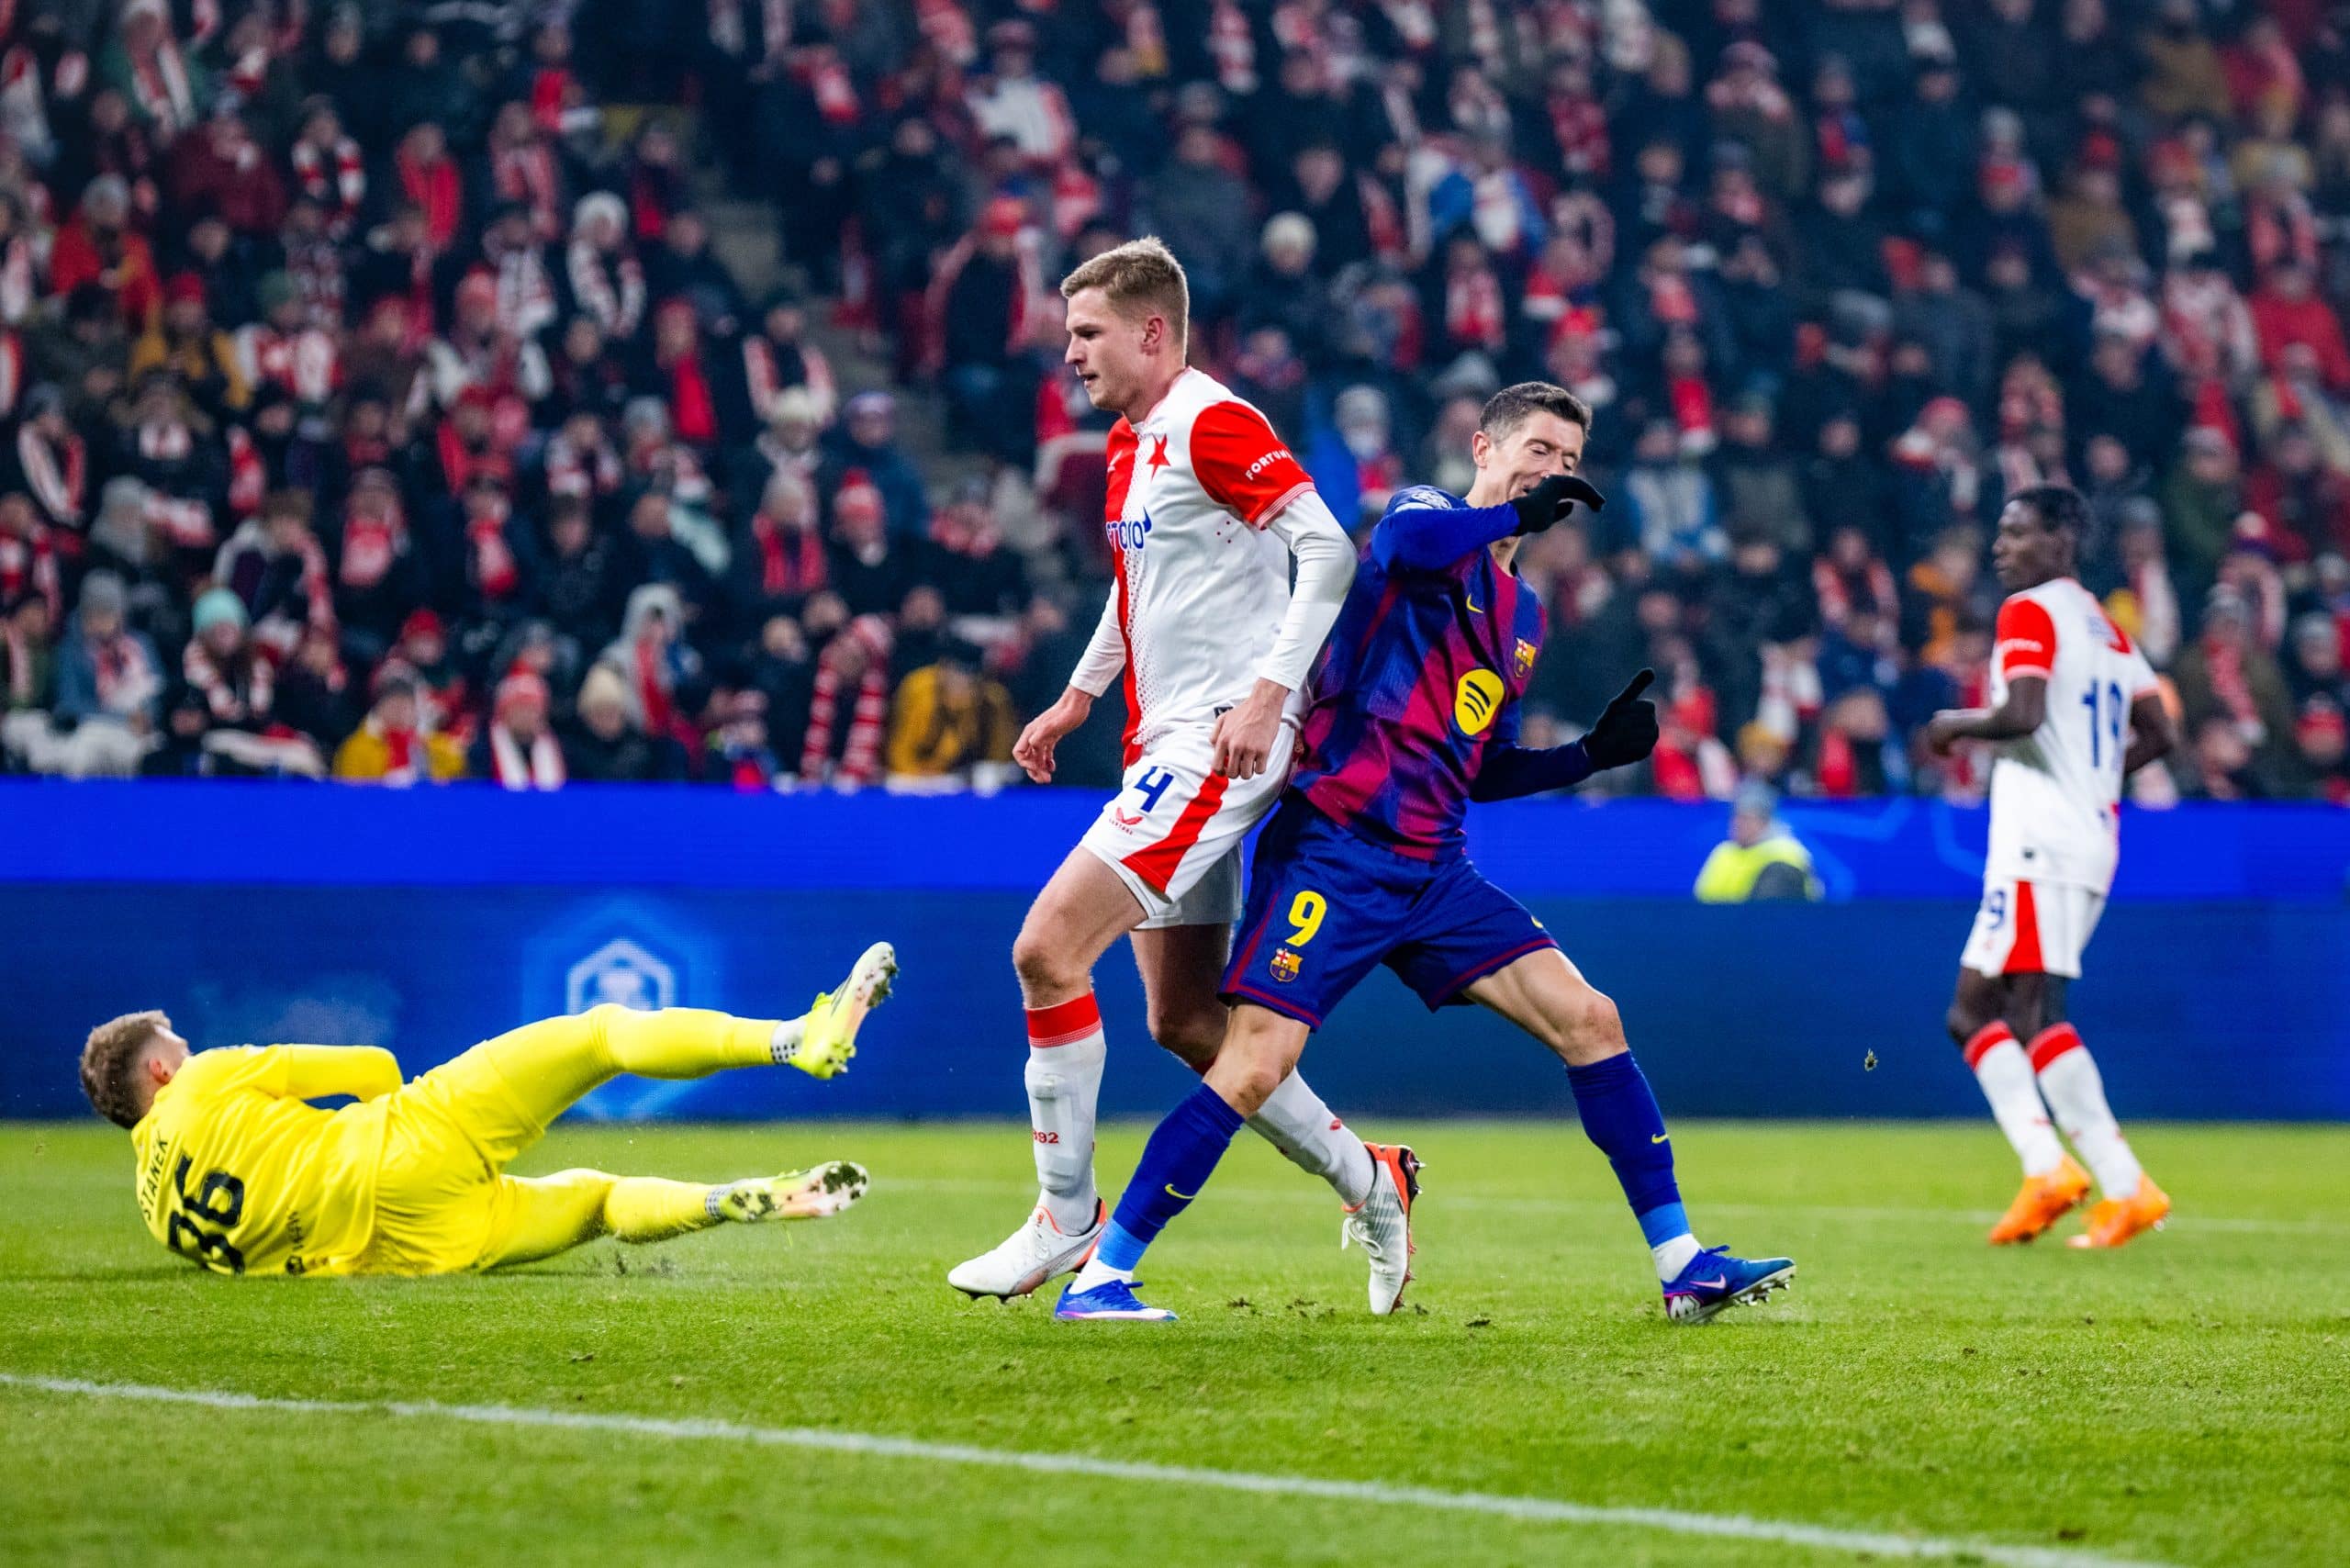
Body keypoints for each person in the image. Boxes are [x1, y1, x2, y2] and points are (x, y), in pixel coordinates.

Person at [1056, 383, 1796, 1325]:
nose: (1552, 470)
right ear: (1484, 447)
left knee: (1590, 1017)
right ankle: (1104, 1274)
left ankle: (1683, 1263)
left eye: (1567, 459)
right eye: (1536, 447)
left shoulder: (1520, 615)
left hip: (1434, 869)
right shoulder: (1424, 513)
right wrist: (1510, 511)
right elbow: (1402, 550)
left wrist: (1588, 756)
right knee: (1251, 1064)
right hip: (1332, 848)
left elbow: (1478, 766)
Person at [947, 238, 1382, 1305]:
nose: (1071, 355)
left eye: (1087, 334)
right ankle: (1372, 1178)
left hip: (1214, 744)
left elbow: (1326, 548)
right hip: (1160, 742)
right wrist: (1080, 694)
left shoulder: (1212, 422)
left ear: (1152, 330)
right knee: (1185, 1022)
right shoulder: (1128, 443)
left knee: (1047, 951)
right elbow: (1134, 587)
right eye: (1067, 336)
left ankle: (1064, 1215)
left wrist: (1271, 692)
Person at [77, 946, 897, 1278]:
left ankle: (726, 1200)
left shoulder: (158, 1215)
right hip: (407, 1141)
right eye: (176, 1042)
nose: (189, 1047)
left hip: (413, 1250)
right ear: (158, 1067)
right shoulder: (205, 1080)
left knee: (602, 1202)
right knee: (603, 1035)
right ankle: (799, 1038)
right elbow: (374, 1066)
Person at [1925, 485, 2178, 1249]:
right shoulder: (2105, 626)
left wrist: (1952, 727)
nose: (2002, 548)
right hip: (2084, 835)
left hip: (2043, 840)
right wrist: (2096, 780)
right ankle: (2072, 1174)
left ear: (2061, 541)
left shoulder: (2030, 610)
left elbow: (2023, 714)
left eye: (2017, 533)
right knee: (1977, 1009)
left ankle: (2101, 1180)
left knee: (2028, 1012)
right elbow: (2160, 732)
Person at [1694, 783, 1822, 902]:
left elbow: (1767, 911)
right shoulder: (1723, 851)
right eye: (1736, 817)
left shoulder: (1786, 855)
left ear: (1764, 821)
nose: (1738, 824)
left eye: (1746, 818)